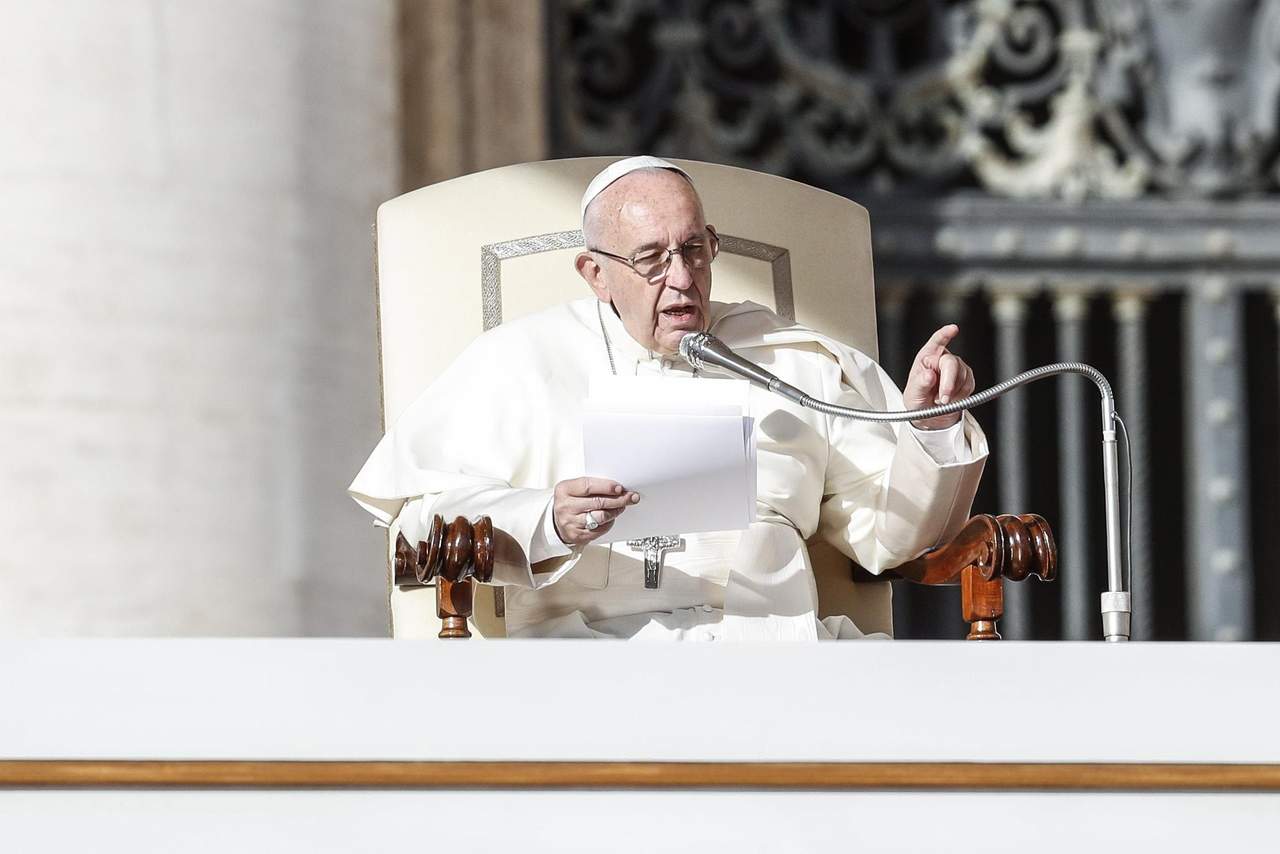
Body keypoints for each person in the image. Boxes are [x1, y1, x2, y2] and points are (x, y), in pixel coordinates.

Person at [350, 156, 986, 640]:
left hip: (772, 665)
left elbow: (897, 538)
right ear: (596, 274)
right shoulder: (521, 361)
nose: (681, 279)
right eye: (651, 259)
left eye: (694, 251)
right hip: (581, 673)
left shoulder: (789, 359)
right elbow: (422, 521)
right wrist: (545, 519)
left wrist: (929, 426)